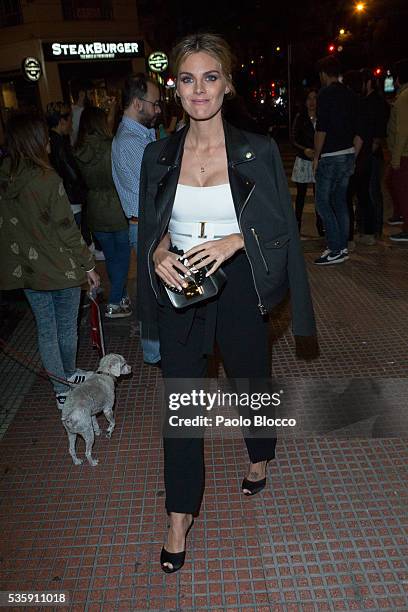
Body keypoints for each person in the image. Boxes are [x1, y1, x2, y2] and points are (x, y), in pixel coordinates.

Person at [137, 32, 316, 573]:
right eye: (188, 79)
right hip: (183, 287)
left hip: (238, 283)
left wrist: (235, 239)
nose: (199, 90)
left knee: (250, 379)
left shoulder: (255, 149)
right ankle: (178, 513)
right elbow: (152, 226)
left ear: (227, 84)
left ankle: (260, 453)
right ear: (176, 88)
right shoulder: (158, 153)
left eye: (210, 77)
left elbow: (278, 225)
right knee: (182, 401)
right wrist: (158, 253)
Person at [0, 113, 100, 408]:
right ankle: (67, 375)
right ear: (34, 140)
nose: (47, 142)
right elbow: (67, 229)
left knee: (46, 328)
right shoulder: (46, 178)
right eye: (43, 136)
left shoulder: (4, 176)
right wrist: (89, 265)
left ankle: (61, 388)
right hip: (61, 268)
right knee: (66, 327)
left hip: (27, 269)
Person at [112, 73, 162, 365]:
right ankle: (154, 352)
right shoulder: (132, 141)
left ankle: (155, 349)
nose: (157, 110)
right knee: (152, 292)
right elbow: (157, 186)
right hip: (145, 227)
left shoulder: (140, 135)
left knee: (152, 290)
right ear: (136, 103)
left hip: (144, 225)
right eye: (154, 104)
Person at [75, 107, 131, 319]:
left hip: (95, 209)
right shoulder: (112, 146)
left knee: (111, 258)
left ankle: (121, 296)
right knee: (123, 258)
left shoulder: (79, 149)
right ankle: (114, 301)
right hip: (116, 206)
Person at [313, 56, 363, 265]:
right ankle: (341, 247)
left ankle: (335, 248)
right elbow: (360, 131)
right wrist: (353, 155)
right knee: (341, 202)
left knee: (323, 203)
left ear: (324, 74)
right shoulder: (351, 95)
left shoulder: (325, 94)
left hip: (331, 155)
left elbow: (321, 128)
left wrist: (316, 156)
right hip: (348, 153)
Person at [46, 101, 87, 229]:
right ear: (62, 121)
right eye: (70, 119)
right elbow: (72, 175)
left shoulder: (49, 141)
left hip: (60, 200)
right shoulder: (59, 145)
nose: (72, 123)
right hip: (71, 201)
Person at [291, 89, 324, 236]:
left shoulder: (323, 117)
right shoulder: (300, 117)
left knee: (320, 196)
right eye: (309, 99)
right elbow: (293, 139)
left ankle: (321, 226)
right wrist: (304, 150)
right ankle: (296, 226)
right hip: (304, 161)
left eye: (315, 98)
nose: (312, 102)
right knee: (301, 196)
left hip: (319, 160)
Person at [386, 59, 408, 242]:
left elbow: (402, 130)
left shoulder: (403, 98)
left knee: (400, 188)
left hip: (404, 154)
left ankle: (406, 226)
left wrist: (395, 158)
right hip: (404, 152)